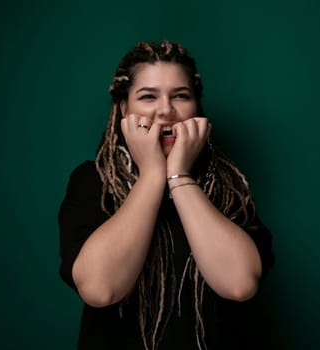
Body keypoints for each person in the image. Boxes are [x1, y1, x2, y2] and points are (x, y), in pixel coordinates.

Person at [58, 40, 275, 350]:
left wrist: (179, 177)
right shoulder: (93, 181)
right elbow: (100, 289)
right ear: (123, 107)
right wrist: (152, 175)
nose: (166, 110)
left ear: (196, 108)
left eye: (181, 96)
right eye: (148, 96)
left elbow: (239, 285)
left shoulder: (228, 186)